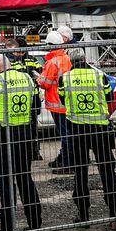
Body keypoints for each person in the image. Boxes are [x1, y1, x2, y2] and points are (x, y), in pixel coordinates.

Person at [58, 45, 116, 225]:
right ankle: (114, 211)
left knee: (80, 171)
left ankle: (84, 214)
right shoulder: (99, 75)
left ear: (70, 61)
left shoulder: (65, 78)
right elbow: (109, 98)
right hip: (100, 129)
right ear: (85, 59)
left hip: (77, 130)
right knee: (107, 169)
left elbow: (62, 100)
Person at [0, 53, 43, 231]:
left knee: (5, 182)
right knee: (25, 179)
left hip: (4, 136)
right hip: (24, 135)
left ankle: (7, 229)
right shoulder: (28, 79)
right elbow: (36, 108)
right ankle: (35, 226)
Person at [39, 30, 74, 171]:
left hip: (56, 103)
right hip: (68, 102)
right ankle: (68, 159)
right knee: (69, 134)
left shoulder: (51, 62)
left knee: (65, 135)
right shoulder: (66, 58)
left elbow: (45, 83)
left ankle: (67, 163)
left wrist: (38, 79)